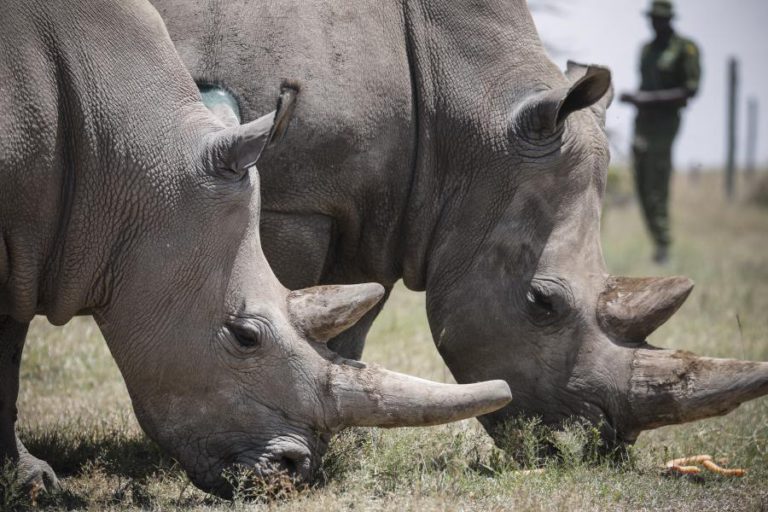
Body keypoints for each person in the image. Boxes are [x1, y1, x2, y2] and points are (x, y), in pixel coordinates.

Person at [620, 0, 701, 264]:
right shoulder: (646, 49)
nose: (654, 23)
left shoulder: (685, 48)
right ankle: (658, 242)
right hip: (642, 122)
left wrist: (646, 99)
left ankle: (663, 244)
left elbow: (689, 90)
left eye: (659, 18)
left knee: (656, 182)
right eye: (652, 18)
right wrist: (637, 100)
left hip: (664, 125)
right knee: (641, 182)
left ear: (669, 19)